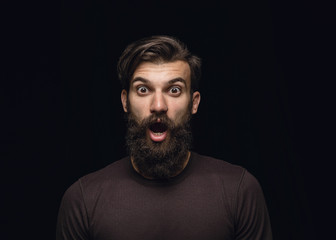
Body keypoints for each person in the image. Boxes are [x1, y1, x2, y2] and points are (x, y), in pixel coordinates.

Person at [56, 35, 273, 240]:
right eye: (143, 89)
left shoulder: (239, 191)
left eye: (174, 90)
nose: (158, 105)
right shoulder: (83, 199)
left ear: (194, 103)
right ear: (125, 101)